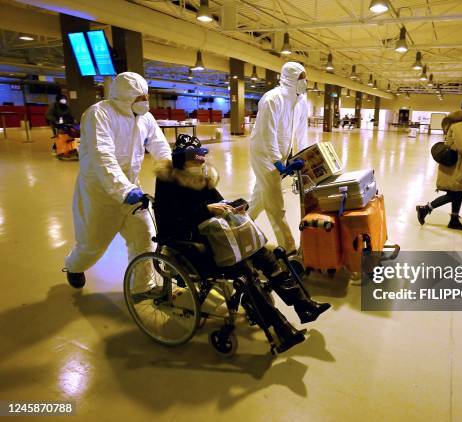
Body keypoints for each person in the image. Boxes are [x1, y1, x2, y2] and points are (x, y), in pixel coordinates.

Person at [153, 135, 330, 352]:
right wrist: (206, 210)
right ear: (181, 160)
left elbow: (218, 201)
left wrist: (233, 206)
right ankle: (280, 327)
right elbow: (170, 220)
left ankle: (304, 305)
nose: (200, 162)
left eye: (201, 158)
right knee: (244, 272)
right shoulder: (167, 182)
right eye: (195, 159)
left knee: (265, 255)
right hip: (188, 242)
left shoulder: (202, 176)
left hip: (217, 237)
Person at [63, 72, 172, 290]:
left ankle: (142, 287)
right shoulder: (99, 114)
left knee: (145, 237)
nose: (145, 102)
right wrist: (123, 190)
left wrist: (170, 167)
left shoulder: (145, 118)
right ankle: (74, 266)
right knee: (92, 244)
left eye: (146, 97)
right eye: (140, 97)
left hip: (132, 190)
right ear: (124, 96)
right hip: (100, 193)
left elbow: (159, 144)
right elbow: (102, 157)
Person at [248, 62, 312, 254]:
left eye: (305, 78)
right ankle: (289, 247)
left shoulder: (300, 101)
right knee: (275, 203)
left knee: (260, 196)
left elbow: (301, 131)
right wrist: (277, 162)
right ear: (291, 78)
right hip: (263, 155)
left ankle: (239, 226)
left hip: (281, 155)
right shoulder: (272, 99)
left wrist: (304, 155)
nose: (305, 82)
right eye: (301, 77)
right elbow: (268, 134)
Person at [416, 98, 462, 231]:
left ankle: (454, 219)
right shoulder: (460, 124)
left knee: (459, 192)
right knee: (455, 194)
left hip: (461, 164)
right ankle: (425, 209)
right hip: (457, 166)